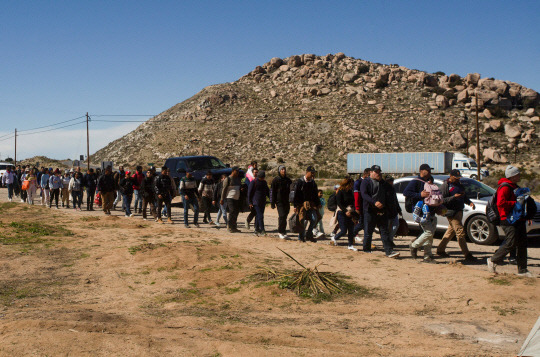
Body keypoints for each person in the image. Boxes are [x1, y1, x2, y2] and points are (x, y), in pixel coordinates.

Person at [488, 166, 533, 277]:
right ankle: (493, 260)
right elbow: (500, 203)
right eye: (517, 174)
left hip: (518, 219)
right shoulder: (505, 187)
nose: (519, 176)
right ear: (512, 176)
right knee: (510, 242)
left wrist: (527, 215)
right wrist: (515, 203)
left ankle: (523, 270)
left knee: (522, 244)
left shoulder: (514, 186)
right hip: (507, 219)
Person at [437, 170, 477, 261]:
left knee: (450, 232)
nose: (457, 179)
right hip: (451, 212)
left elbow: (464, 196)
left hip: (459, 211)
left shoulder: (459, 184)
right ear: (450, 176)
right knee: (460, 232)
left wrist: (469, 202)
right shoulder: (445, 186)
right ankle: (467, 254)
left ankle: (440, 250)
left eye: (458, 178)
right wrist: (454, 197)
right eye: (455, 177)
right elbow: (441, 200)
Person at [361, 165, 399, 258]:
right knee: (368, 232)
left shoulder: (383, 183)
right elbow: (364, 195)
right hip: (370, 211)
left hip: (382, 211)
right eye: (376, 172)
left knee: (384, 231)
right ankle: (366, 250)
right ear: (371, 172)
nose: (378, 174)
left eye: (379, 172)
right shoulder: (366, 182)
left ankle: (389, 251)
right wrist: (374, 202)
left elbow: (390, 194)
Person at [403, 164, 434, 261]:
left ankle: (427, 256)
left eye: (430, 170)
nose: (430, 172)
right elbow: (406, 192)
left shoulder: (430, 181)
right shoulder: (415, 182)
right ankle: (414, 245)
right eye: (428, 170)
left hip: (431, 211)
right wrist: (419, 194)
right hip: (421, 212)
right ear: (421, 171)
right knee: (428, 233)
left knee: (430, 234)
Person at [293, 166, 320, 243]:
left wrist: (318, 204)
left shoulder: (313, 183)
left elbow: (315, 194)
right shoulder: (300, 182)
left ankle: (309, 234)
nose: (313, 174)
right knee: (303, 221)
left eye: (313, 173)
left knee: (314, 219)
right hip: (301, 205)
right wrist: (295, 206)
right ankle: (301, 237)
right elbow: (296, 194)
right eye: (312, 173)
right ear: (307, 172)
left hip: (311, 205)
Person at [331, 177, 358, 251]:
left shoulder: (350, 191)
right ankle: (335, 238)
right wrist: (345, 211)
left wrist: (353, 211)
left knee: (351, 230)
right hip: (342, 212)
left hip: (350, 212)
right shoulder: (340, 191)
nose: (352, 186)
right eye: (351, 184)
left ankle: (350, 245)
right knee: (343, 230)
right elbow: (339, 203)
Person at [270, 165, 292, 239]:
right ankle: (280, 231)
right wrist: (272, 202)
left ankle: (283, 231)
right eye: (282, 169)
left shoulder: (288, 180)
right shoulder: (276, 180)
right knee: (282, 216)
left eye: (284, 169)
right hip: (279, 201)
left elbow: (291, 190)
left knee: (285, 216)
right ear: (279, 171)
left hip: (286, 201)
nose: (283, 171)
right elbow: (273, 192)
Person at [248, 170, 270, 236]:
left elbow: (267, 191)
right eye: (262, 177)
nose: (263, 179)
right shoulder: (253, 182)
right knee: (260, 216)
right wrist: (250, 202)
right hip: (256, 202)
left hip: (263, 202)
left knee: (258, 216)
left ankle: (256, 230)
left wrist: (271, 199)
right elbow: (249, 193)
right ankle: (262, 230)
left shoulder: (264, 182)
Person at [221, 166, 242, 233]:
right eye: (237, 171)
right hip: (230, 197)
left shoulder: (238, 179)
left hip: (237, 198)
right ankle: (229, 226)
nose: (238, 172)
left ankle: (234, 227)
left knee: (236, 212)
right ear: (233, 171)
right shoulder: (228, 179)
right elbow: (224, 190)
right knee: (232, 211)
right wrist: (222, 199)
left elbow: (239, 187)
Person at [353, 168, 371, 242]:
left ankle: (367, 241)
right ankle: (352, 233)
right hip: (361, 207)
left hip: (367, 206)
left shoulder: (368, 182)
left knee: (367, 224)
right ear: (366, 174)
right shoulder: (358, 182)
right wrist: (357, 208)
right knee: (362, 224)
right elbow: (356, 196)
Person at [384, 175, 402, 248]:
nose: (392, 183)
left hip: (394, 211)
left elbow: (395, 200)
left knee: (395, 226)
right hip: (386, 212)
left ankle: (390, 240)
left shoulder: (392, 189)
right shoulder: (383, 189)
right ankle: (387, 242)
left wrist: (399, 209)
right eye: (390, 181)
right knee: (387, 228)